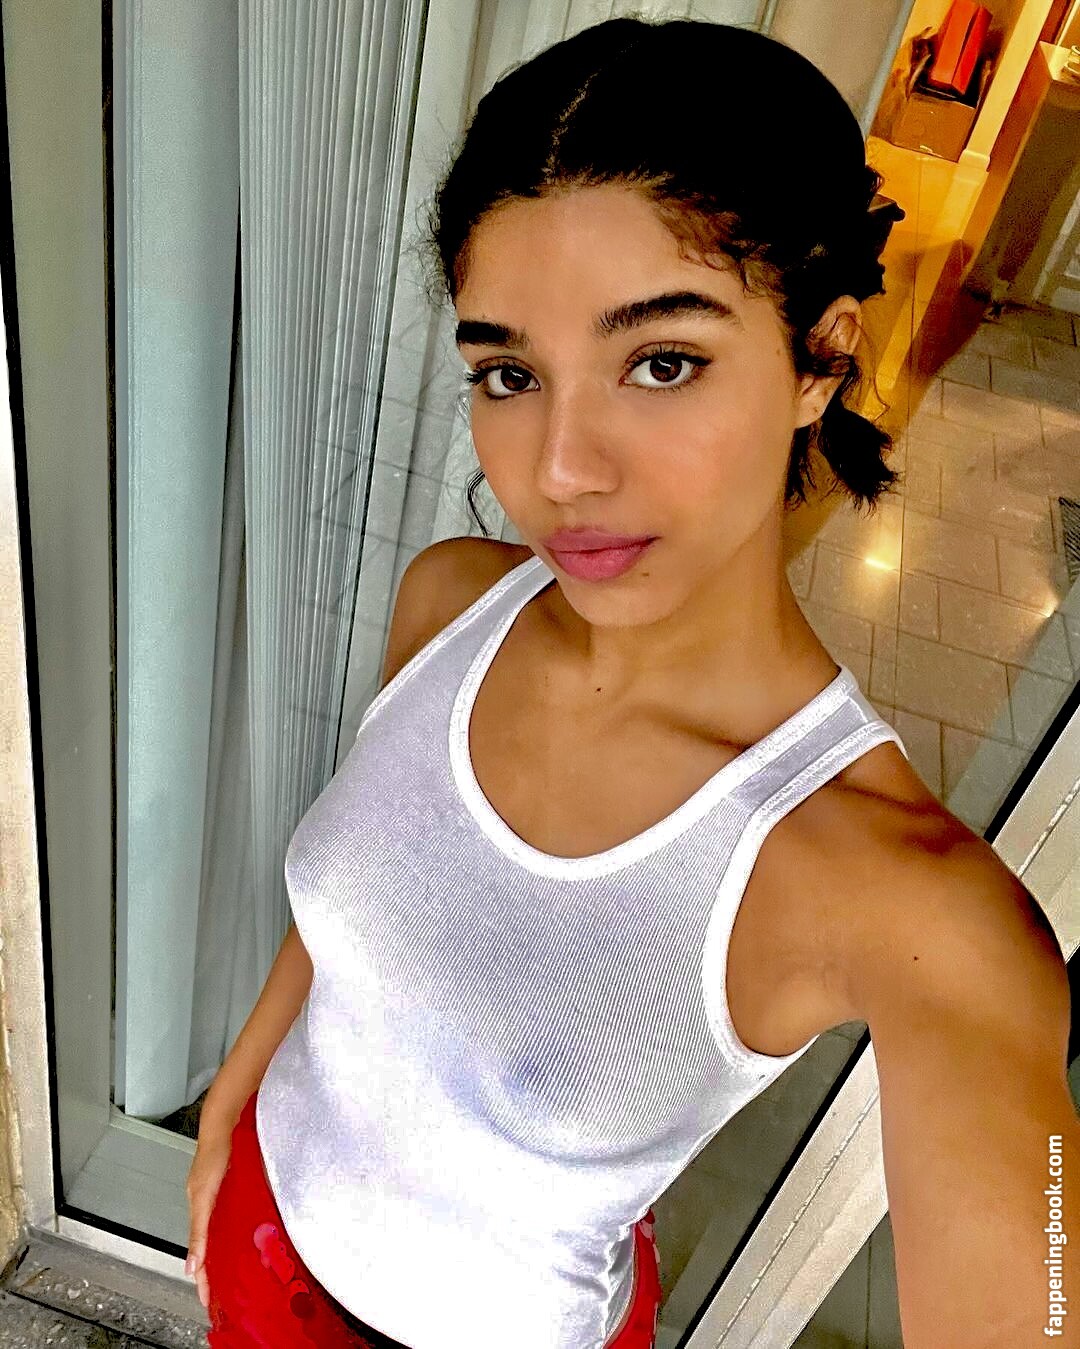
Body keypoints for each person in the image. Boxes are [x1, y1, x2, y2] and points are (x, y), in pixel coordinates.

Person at [186, 15, 1080, 1349]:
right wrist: (230, 1107)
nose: (560, 468)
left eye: (661, 362)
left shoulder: (909, 901)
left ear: (824, 353)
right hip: (263, 1232)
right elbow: (354, 915)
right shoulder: (450, 601)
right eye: (508, 373)